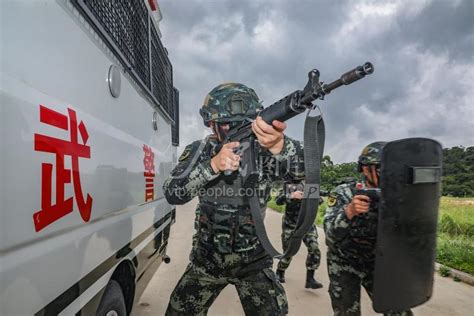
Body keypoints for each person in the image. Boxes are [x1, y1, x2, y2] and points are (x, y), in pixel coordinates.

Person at [163, 83, 304, 315]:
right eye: (225, 124)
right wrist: (212, 166)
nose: (231, 129)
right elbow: (172, 192)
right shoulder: (201, 150)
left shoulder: (265, 151)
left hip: (254, 263)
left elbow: (304, 174)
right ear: (213, 125)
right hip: (207, 260)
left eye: (241, 123)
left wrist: (281, 146)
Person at [323, 142, 413, 316]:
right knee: (346, 311)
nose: (385, 172)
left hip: (378, 261)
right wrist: (349, 212)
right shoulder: (344, 192)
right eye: (380, 167)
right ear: (365, 168)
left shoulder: (398, 193)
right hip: (344, 261)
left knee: (399, 310)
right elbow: (329, 235)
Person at [274, 180, 323, 289]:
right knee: (288, 252)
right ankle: (280, 272)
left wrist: (311, 196)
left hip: (307, 223)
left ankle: (310, 278)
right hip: (290, 224)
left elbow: (320, 201)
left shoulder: (309, 185)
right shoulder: (287, 185)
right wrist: (291, 195)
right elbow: (278, 201)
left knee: (314, 247)